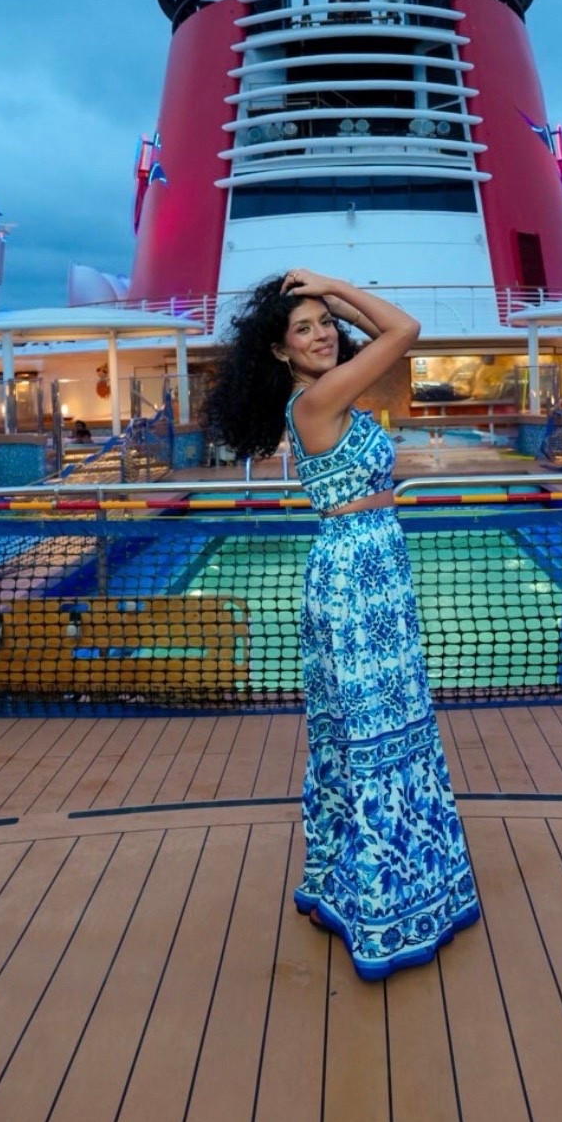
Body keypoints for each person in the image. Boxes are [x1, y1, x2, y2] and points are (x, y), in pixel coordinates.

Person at [205, 270, 480, 981]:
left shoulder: (330, 399)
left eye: (325, 321)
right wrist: (333, 284)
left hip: (369, 566)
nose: (323, 332)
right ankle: (384, 906)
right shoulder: (318, 399)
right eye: (305, 327)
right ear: (279, 351)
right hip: (357, 574)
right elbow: (405, 331)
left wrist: (326, 297)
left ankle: (349, 884)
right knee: (376, 732)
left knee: (363, 730)